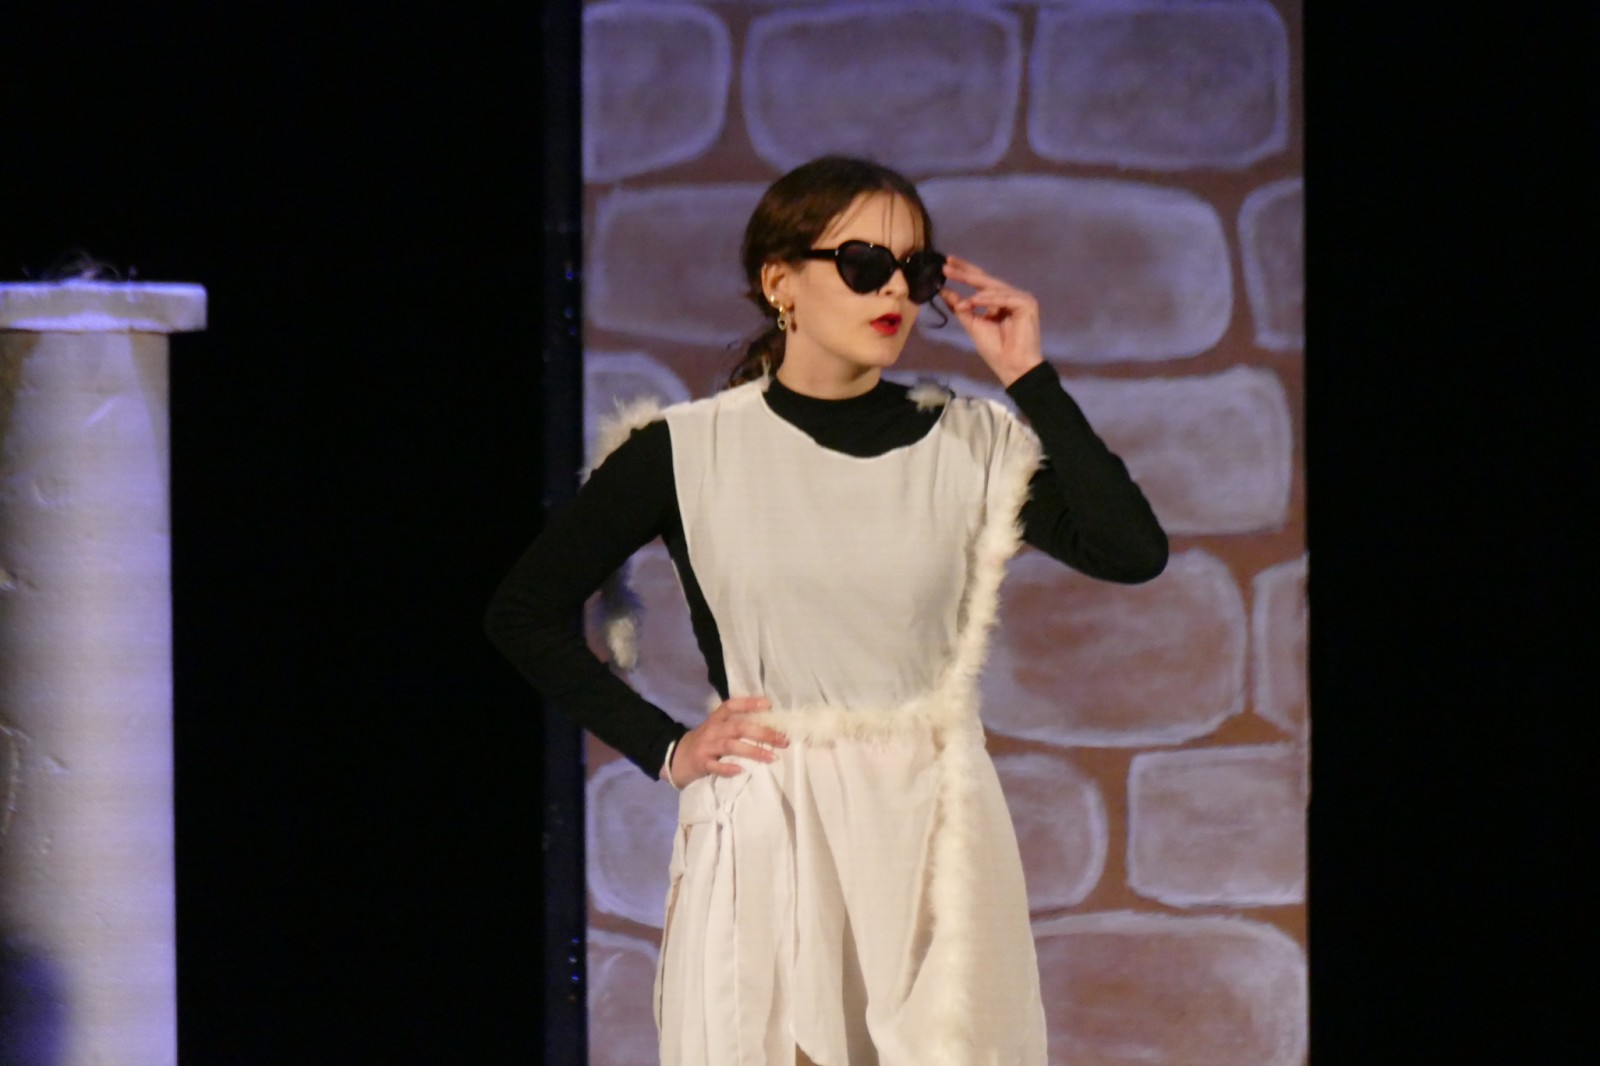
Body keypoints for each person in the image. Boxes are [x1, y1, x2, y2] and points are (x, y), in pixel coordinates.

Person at [485, 156, 1167, 1066]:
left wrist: (1027, 374)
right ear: (781, 282)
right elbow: (524, 611)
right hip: (768, 821)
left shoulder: (970, 441)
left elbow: (1130, 551)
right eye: (863, 264)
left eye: (915, 270)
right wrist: (666, 747)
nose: (894, 291)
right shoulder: (689, 449)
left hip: (930, 834)